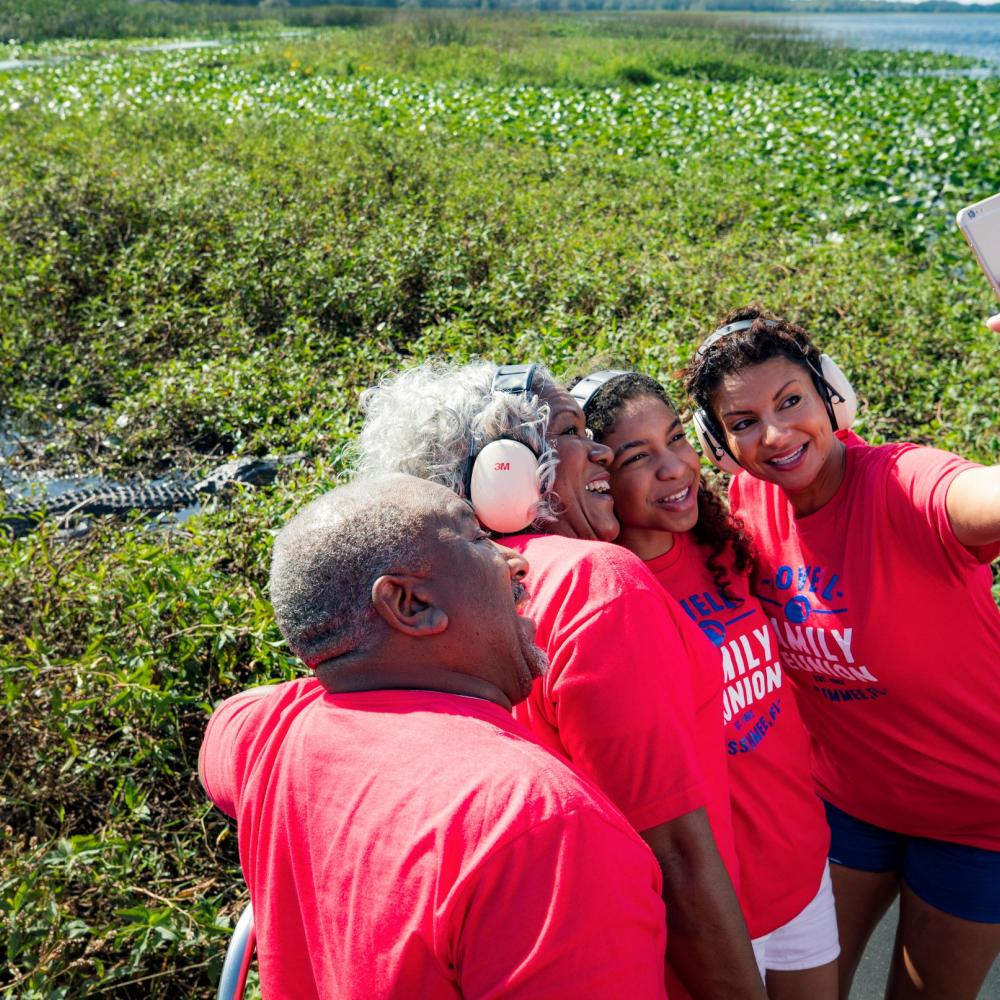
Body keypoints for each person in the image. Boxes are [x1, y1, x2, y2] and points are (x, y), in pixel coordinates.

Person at [357, 362, 766, 1000]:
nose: (600, 448)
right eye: (573, 430)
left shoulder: (439, 606)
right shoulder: (595, 580)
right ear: (506, 469)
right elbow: (677, 855)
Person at [199, 473, 671, 1000]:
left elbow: (225, 723)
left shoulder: (270, 736)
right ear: (411, 605)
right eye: (476, 538)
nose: (515, 562)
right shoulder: (538, 822)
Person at [683, 306, 1000, 1000]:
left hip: (980, 818)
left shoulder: (906, 485)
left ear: (832, 396)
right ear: (718, 444)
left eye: (791, 401)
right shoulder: (747, 500)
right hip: (846, 809)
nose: (775, 434)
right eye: (743, 422)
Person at [576, 370, 839, 1000]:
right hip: (705, 914)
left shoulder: (725, 549)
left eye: (676, 440)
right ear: (598, 477)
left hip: (800, 872)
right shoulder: (601, 596)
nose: (674, 469)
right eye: (639, 457)